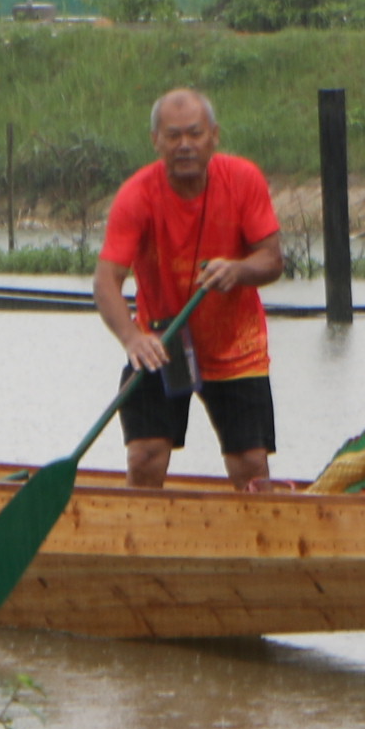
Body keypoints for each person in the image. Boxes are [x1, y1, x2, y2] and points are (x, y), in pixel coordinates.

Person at [91, 86, 284, 490]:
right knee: (145, 455)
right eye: (173, 135)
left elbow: (272, 259)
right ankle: (140, 545)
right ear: (155, 141)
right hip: (164, 341)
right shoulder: (136, 196)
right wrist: (131, 337)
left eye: (194, 134)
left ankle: (256, 546)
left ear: (214, 135)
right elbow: (106, 280)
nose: (184, 145)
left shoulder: (243, 179)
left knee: (250, 464)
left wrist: (238, 270)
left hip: (236, 345)